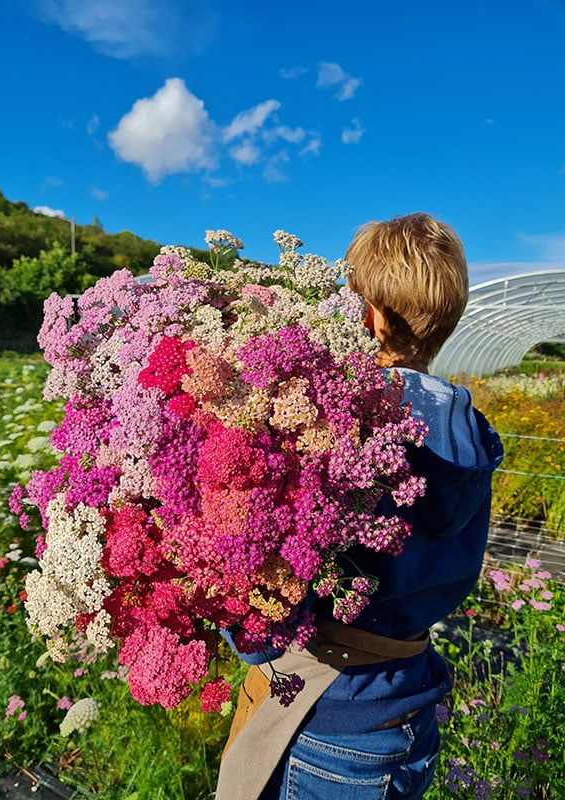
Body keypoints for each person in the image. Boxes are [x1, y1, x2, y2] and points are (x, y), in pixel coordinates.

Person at [216, 213, 504, 800]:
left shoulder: (348, 426)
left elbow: (268, 613)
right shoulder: (471, 432)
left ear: (366, 313)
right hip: (405, 713)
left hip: (326, 724)